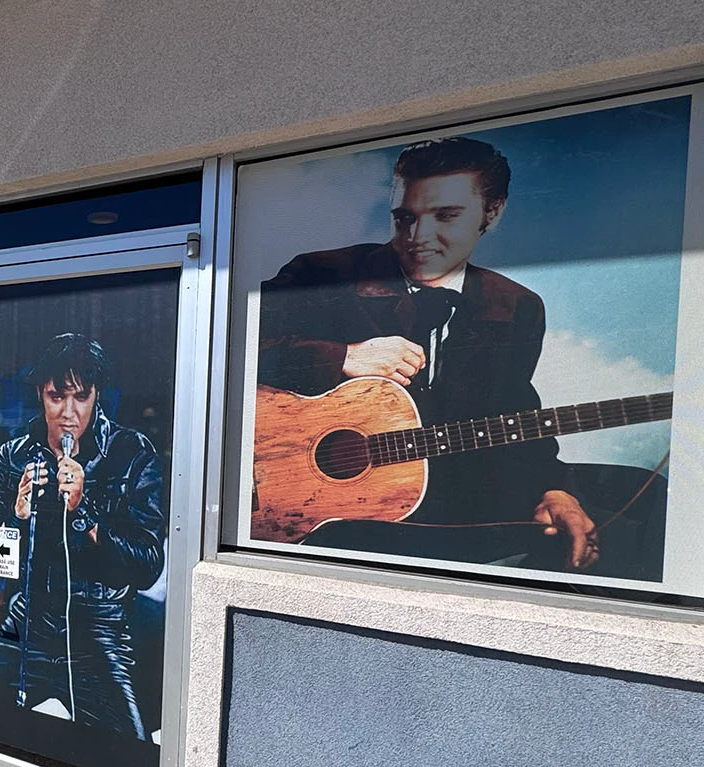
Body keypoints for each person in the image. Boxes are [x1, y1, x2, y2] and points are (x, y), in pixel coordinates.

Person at [256, 136, 598, 569]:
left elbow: (514, 415)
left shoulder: (516, 306)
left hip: (445, 532)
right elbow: (219, 349)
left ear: (491, 213)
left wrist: (556, 490)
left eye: (446, 216)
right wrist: (343, 357)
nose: (418, 237)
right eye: (404, 218)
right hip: (321, 529)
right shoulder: (322, 275)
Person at [0, 334, 165, 739]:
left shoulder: (130, 453)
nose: (68, 413)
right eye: (55, 397)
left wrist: (85, 513)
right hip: (30, 618)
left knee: (128, 750)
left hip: (97, 627)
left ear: (96, 394)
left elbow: (149, 566)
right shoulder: (14, 455)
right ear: (39, 394)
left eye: (80, 397)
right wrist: (16, 519)